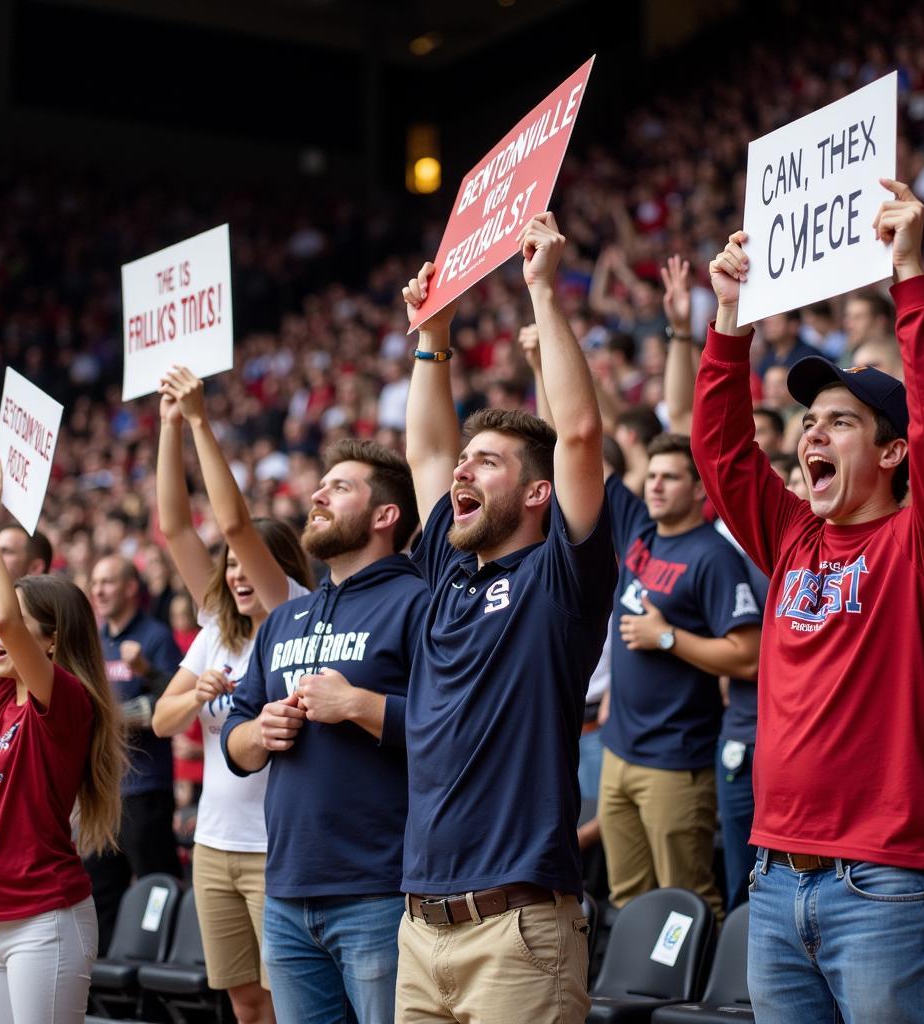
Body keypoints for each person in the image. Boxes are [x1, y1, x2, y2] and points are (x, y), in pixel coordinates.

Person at [692, 178, 924, 1022]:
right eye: (809, 421)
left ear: (889, 455)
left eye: (838, 422)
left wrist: (910, 275)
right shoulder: (792, 537)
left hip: (885, 885)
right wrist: (729, 317)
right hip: (774, 881)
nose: (811, 432)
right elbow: (722, 447)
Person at [399, 212, 616, 1023]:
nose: (460, 468)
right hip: (418, 928)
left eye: (484, 462)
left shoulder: (561, 577)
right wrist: (434, 336)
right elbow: (424, 453)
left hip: (520, 929)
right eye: (467, 459)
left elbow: (582, 432)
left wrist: (540, 291)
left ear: (536, 495)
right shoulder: (446, 569)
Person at [222, 437, 428, 1024]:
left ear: (385, 515)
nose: (317, 494)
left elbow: (452, 732)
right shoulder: (285, 617)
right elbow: (236, 737)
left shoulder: (418, 603)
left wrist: (359, 704)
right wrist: (260, 731)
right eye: (321, 484)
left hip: (379, 890)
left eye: (340, 487)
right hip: (284, 891)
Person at [153, 366, 315, 1024]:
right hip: (215, 847)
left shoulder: (293, 613)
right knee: (245, 1004)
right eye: (227, 566)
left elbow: (234, 523)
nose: (235, 572)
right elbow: (174, 529)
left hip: (275, 848)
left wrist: (199, 421)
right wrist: (167, 427)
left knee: (289, 1001)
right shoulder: (216, 629)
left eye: (247, 563)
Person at [0, 459, 125, 1023]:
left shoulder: (64, 701)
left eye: (16, 626)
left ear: (50, 642)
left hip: (44, 922)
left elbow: (0, 615)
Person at [597, 432, 761, 921]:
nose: (656, 486)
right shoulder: (639, 532)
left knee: (685, 902)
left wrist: (666, 637)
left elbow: (747, 656)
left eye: (670, 477)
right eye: (650, 476)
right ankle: (641, 993)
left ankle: (688, 995)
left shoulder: (714, 557)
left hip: (676, 759)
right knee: (627, 897)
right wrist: (541, 364)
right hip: (618, 751)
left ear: (698, 490)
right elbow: (579, 449)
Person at [86, 553, 182, 952]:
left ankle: (159, 976)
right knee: (100, 893)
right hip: (103, 794)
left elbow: (175, 706)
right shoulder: (95, 640)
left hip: (145, 792)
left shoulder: (156, 637)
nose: (98, 590)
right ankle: (107, 988)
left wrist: (145, 671)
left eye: (108, 582)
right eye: (95, 582)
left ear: (130, 588)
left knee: (155, 889)